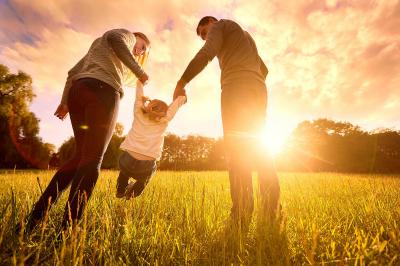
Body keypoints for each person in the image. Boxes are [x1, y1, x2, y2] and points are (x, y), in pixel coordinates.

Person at [25, 29, 151, 231]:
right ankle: (69, 228)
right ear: (135, 38)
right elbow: (116, 38)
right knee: (93, 160)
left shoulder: (98, 49)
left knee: (79, 159)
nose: (140, 51)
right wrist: (140, 71)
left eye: (143, 52)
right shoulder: (125, 35)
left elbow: (72, 73)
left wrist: (65, 102)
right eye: (142, 46)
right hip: (103, 92)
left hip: (80, 91)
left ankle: (33, 219)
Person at [173, 16, 280, 222]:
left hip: (236, 88)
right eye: (203, 36)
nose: (206, 38)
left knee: (238, 150)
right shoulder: (245, 36)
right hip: (258, 89)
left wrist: (182, 81)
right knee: (261, 149)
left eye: (205, 32)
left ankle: (241, 215)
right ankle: (271, 211)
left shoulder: (220, 25)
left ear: (211, 22)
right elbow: (264, 69)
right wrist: (252, 80)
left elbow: (207, 53)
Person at [116, 80, 186, 199]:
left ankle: (120, 190)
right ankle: (133, 194)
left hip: (127, 160)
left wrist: (140, 82)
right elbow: (173, 108)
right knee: (146, 177)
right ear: (164, 112)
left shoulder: (139, 112)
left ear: (149, 106)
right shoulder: (164, 120)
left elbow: (138, 97)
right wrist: (181, 98)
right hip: (146, 165)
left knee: (124, 172)